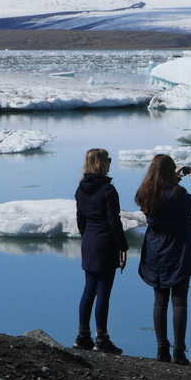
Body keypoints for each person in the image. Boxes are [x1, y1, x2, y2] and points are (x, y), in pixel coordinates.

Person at [135, 154, 191, 365]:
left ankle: (161, 350)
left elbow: (161, 198)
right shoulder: (178, 194)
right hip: (179, 252)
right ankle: (179, 351)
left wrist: (173, 180)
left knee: (159, 301)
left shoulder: (144, 193)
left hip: (155, 252)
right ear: (169, 172)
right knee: (179, 302)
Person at [74, 148, 128, 354]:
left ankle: (82, 336)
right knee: (103, 292)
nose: (110, 163)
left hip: (89, 242)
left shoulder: (81, 189)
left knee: (89, 289)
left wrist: (87, 237)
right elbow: (114, 222)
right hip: (105, 243)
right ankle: (102, 339)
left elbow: (80, 220)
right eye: (108, 160)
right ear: (101, 164)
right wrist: (123, 246)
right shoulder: (108, 191)